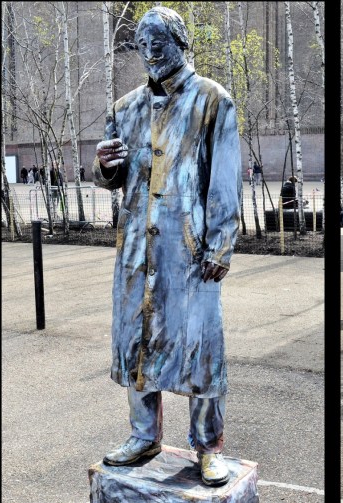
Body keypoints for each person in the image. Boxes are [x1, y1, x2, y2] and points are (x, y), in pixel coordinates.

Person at [93, 6, 241, 487]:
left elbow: (224, 182)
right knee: (135, 342)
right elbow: (115, 177)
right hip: (136, 251)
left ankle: (208, 443)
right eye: (142, 43)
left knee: (201, 350)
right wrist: (105, 166)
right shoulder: (125, 107)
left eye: (159, 40)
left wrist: (219, 245)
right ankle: (143, 434)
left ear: (181, 41)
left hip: (189, 253)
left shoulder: (211, 101)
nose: (151, 51)